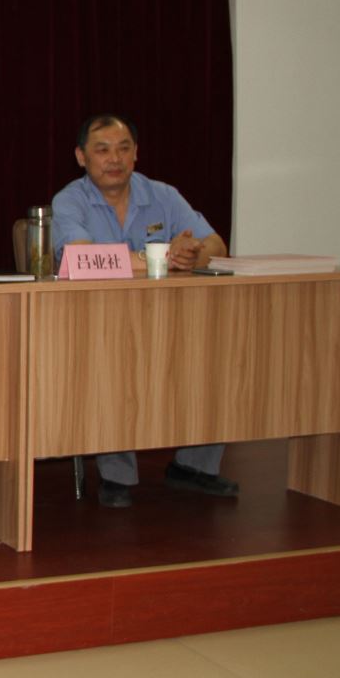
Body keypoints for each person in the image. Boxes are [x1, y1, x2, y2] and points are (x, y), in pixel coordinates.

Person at [53, 113, 237, 508]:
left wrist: (192, 254)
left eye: (123, 149)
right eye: (102, 150)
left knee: (214, 353)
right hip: (96, 321)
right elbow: (79, 258)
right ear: (82, 157)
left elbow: (216, 245)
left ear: (136, 154)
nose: (114, 159)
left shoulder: (163, 195)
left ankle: (194, 467)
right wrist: (160, 256)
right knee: (111, 361)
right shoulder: (69, 200)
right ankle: (117, 477)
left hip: (168, 318)